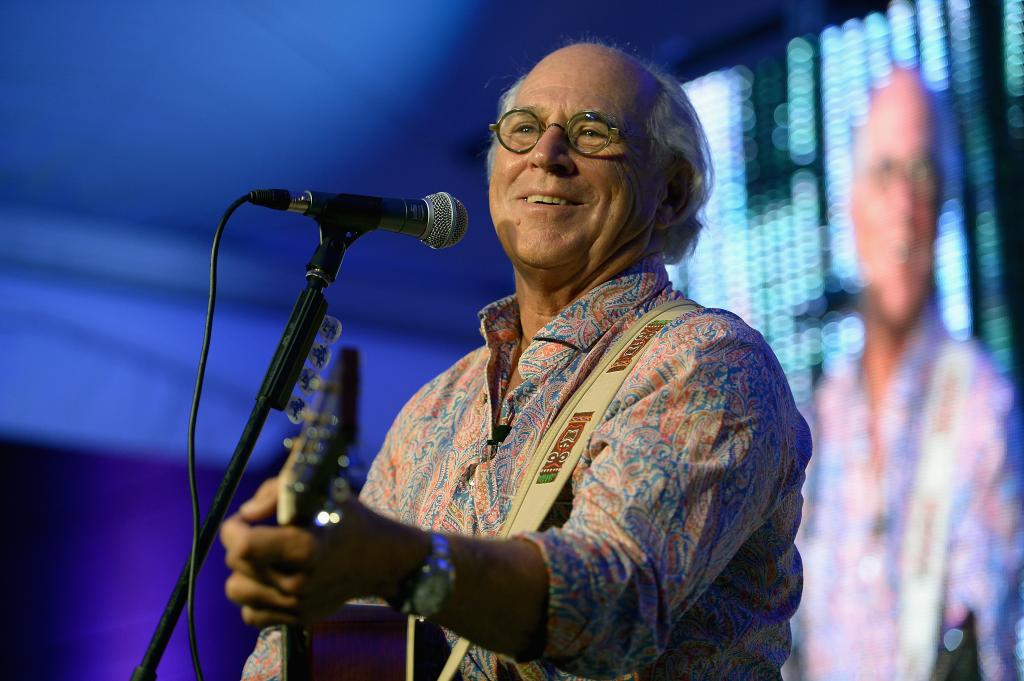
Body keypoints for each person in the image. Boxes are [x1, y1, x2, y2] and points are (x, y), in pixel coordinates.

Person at [221, 42, 812, 680]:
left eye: (592, 133)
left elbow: (614, 606)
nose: (546, 156)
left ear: (669, 193)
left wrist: (398, 562)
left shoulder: (705, 362)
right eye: (523, 130)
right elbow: (347, 638)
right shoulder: (434, 409)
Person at [793, 69, 1024, 680]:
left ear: (945, 199)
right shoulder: (821, 413)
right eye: (884, 173)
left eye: (922, 175)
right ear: (850, 204)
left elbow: (985, 645)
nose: (904, 206)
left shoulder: (980, 402)